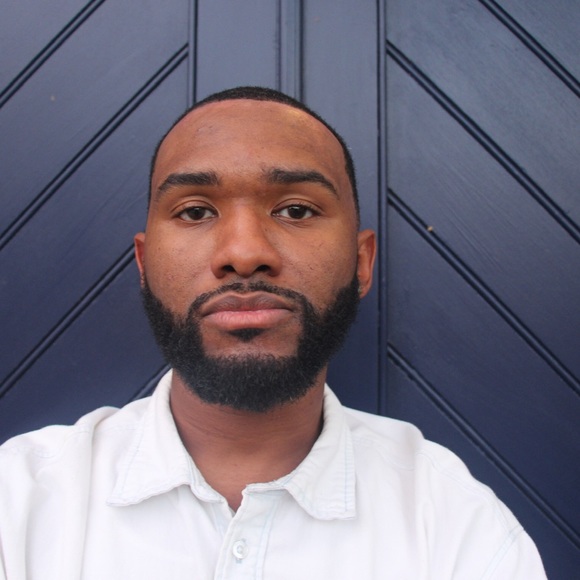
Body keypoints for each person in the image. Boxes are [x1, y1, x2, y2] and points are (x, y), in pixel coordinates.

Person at [0, 86, 546, 579]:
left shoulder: (455, 524)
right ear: (144, 264)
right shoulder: (18, 504)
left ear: (361, 263)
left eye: (296, 210)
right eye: (195, 212)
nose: (244, 253)